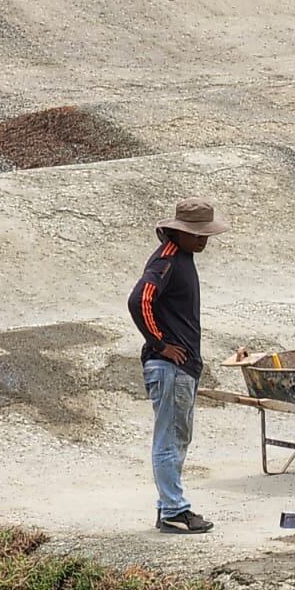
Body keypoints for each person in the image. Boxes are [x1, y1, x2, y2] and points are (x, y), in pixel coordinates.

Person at [127, 197, 227, 533]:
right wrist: (161, 345)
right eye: (197, 233)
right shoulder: (167, 261)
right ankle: (173, 510)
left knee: (178, 437)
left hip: (181, 368)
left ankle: (170, 507)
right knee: (169, 439)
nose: (203, 239)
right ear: (179, 232)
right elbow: (139, 299)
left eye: (205, 234)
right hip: (169, 367)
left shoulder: (181, 257)